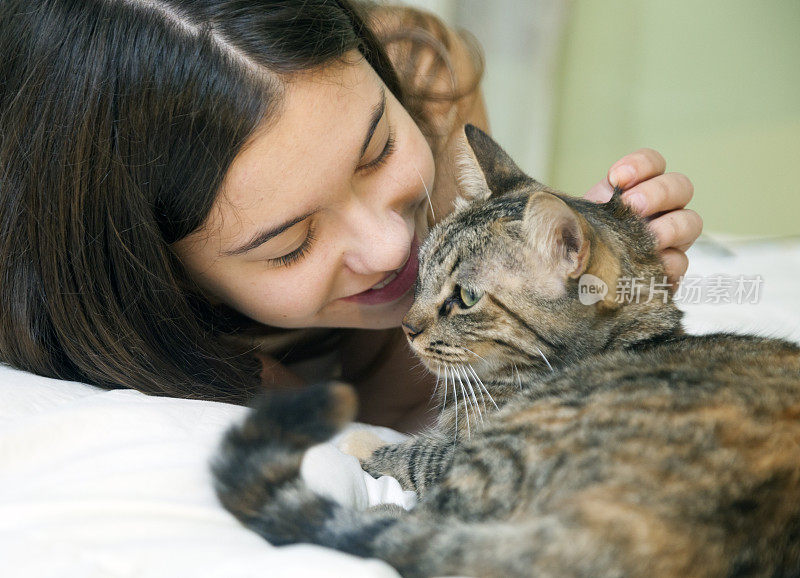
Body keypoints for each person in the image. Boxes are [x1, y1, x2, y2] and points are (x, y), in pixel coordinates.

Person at [0, 0, 701, 433]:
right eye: (291, 243)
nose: (393, 243)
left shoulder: (425, 82)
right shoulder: (94, 319)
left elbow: (404, 406)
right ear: (164, 274)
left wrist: (582, 308)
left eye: (376, 151)